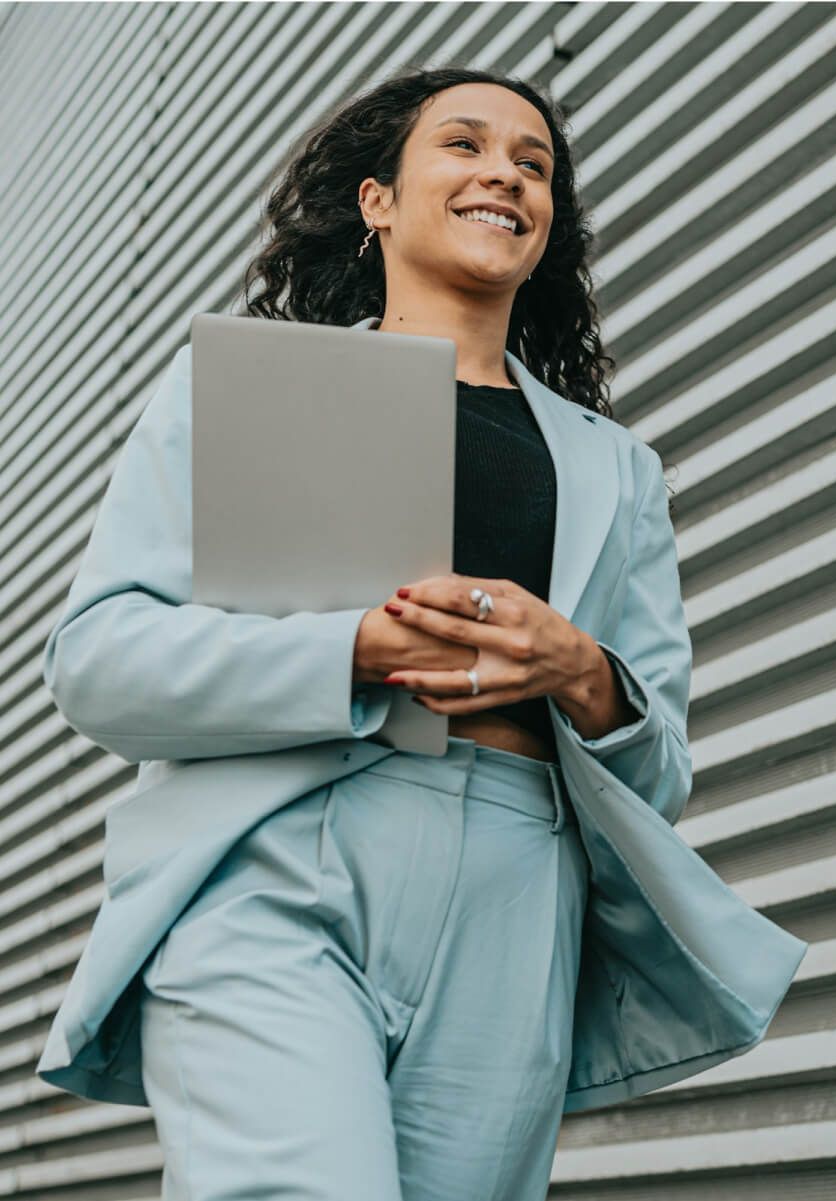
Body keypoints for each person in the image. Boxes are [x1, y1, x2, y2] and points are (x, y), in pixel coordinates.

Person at [50, 65, 700, 1199]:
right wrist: (351, 648)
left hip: (516, 890)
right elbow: (100, 666)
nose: (504, 169)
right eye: (463, 144)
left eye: (533, 163)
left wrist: (583, 670)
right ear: (376, 201)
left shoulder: (617, 470)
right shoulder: (237, 389)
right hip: (279, 852)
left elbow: (663, 770)